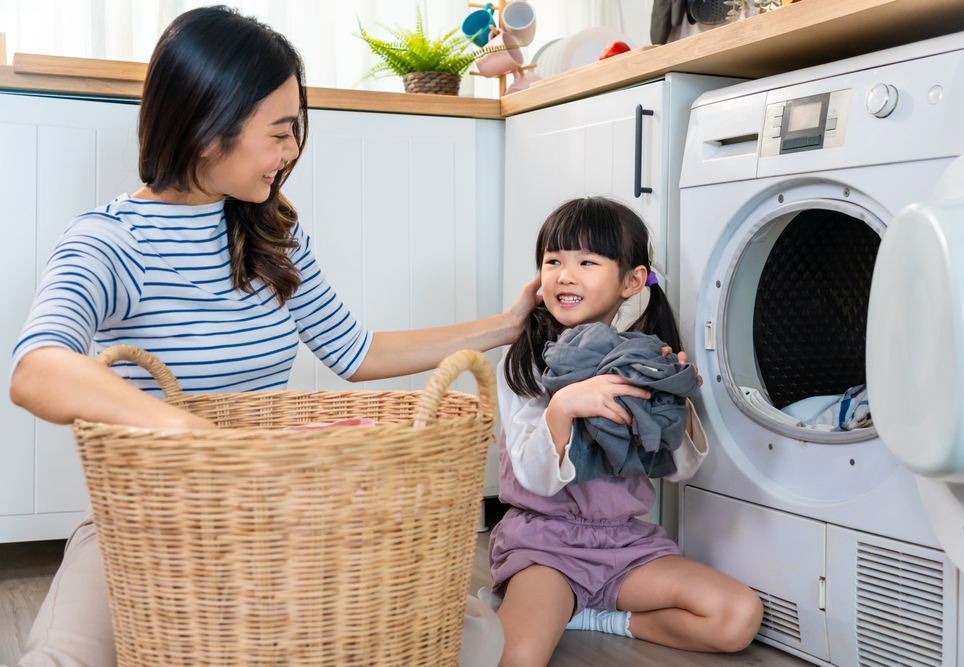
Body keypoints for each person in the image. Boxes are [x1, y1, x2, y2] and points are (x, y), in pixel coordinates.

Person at [7, 7, 534, 667]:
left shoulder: (268, 234)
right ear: (207, 128)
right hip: (151, 526)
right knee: (59, 658)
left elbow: (356, 350)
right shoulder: (111, 241)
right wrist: (197, 436)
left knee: (472, 636)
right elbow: (37, 370)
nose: (291, 152)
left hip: (276, 515)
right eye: (279, 132)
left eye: (295, 132)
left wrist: (505, 326)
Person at [488, 197, 764, 667]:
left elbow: (679, 470)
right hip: (546, 545)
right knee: (517, 657)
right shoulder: (525, 364)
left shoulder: (642, 359)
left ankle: (596, 617)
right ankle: (560, 604)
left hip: (623, 544)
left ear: (632, 281)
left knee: (737, 617)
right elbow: (534, 480)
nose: (565, 275)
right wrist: (562, 408)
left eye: (586, 262)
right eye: (553, 260)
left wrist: (674, 402)